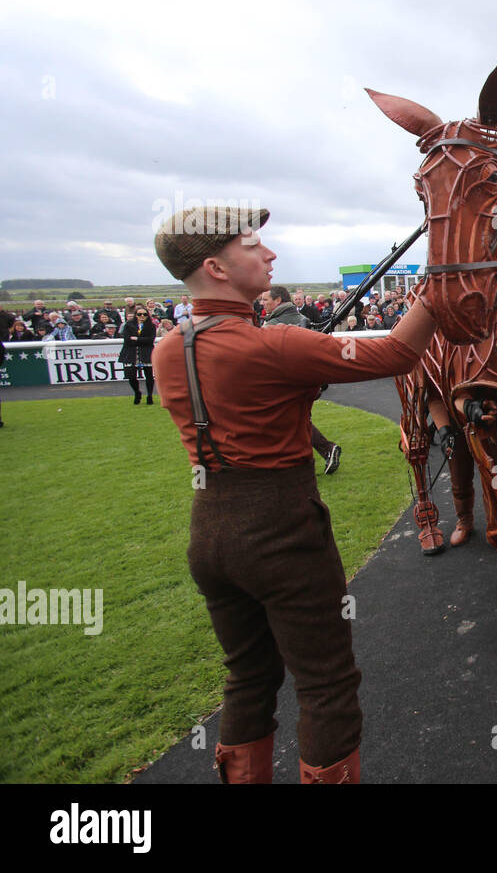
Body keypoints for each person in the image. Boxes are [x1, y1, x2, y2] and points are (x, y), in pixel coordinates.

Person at [151, 204, 440, 784]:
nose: (269, 253)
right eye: (253, 246)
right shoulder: (274, 344)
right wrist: (437, 290)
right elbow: (397, 356)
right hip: (282, 530)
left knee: (248, 676)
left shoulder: (168, 348)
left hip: (209, 533)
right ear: (217, 267)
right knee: (326, 682)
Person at [261, 286, 344, 474]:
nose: (262, 303)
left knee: (292, 421)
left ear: (278, 301)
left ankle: (323, 452)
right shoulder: (302, 319)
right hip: (308, 380)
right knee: (297, 420)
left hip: (286, 383)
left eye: (266, 300)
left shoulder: (271, 326)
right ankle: (323, 452)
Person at [119, 304, 157, 404]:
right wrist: (141, 340)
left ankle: (149, 395)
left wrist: (137, 339)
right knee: (131, 376)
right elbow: (127, 340)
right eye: (140, 314)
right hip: (131, 353)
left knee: (149, 375)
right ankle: (137, 392)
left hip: (146, 353)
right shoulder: (128, 325)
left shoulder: (151, 326)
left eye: (144, 314)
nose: (142, 316)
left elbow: (150, 340)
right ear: (136, 315)